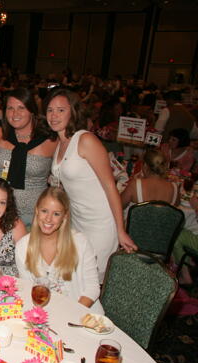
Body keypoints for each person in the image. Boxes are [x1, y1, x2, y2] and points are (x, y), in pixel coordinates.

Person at [45, 88, 136, 282]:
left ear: (73, 112)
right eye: (50, 110)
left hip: (101, 222)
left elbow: (110, 187)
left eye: (61, 110)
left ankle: (96, 313)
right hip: (78, 220)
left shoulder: (86, 140)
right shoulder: (59, 143)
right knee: (75, 276)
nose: (54, 115)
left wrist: (121, 230)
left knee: (92, 278)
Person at [15, 187, 103, 313]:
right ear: (37, 211)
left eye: (56, 214)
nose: (48, 219)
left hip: (82, 314)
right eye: (44, 211)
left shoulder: (80, 242)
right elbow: (28, 289)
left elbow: (93, 288)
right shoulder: (23, 246)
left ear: (64, 216)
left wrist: (72, 314)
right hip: (46, 316)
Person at [0, 88, 58, 225]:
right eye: (10, 108)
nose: (15, 113)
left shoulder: (50, 139)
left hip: (33, 217)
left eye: (21, 107)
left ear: (32, 110)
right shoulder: (0, 133)